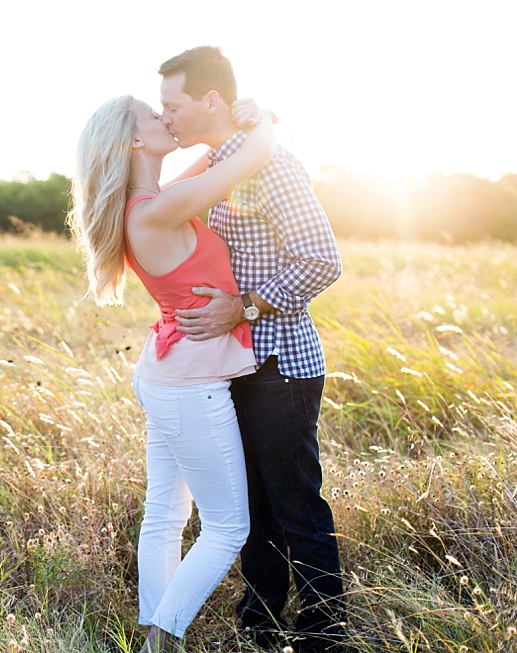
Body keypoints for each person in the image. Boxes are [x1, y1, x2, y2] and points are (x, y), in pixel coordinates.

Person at [68, 93, 276, 652]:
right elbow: (250, 158)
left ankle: (155, 634)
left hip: (167, 374)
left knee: (164, 512)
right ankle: (160, 640)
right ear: (135, 141)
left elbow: (212, 166)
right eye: (152, 116)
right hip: (189, 385)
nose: (165, 119)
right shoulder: (155, 210)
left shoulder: (149, 202)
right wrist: (265, 119)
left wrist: (224, 132)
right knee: (229, 527)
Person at [159, 46, 346, 652]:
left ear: (211, 100)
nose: (167, 119)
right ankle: (259, 620)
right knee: (252, 506)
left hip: (281, 364)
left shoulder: (272, 166)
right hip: (235, 364)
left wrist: (244, 307)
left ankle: (324, 630)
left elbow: (322, 260)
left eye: (174, 105)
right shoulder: (221, 165)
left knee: (294, 501)